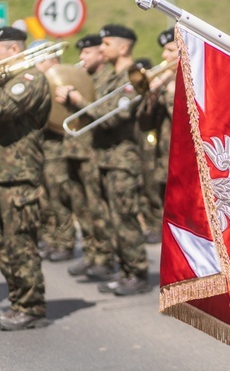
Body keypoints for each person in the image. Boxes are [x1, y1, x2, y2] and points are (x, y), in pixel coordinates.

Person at [59, 24, 149, 296]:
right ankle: (125, 270)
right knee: (113, 218)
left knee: (125, 219)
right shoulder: (112, 76)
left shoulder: (132, 77)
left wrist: (78, 101)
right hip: (106, 158)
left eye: (106, 45)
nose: (101, 49)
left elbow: (114, 115)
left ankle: (137, 271)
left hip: (122, 160)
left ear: (123, 48)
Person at [0, 26, 52, 330]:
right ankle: (19, 300)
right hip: (4, 176)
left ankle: (31, 306)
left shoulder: (31, 79)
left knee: (20, 244)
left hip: (19, 178)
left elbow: (4, 108)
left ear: (13, 51)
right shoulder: (9, 80)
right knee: (5, 247)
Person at [58, 34, 115, 278]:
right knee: (81, 208)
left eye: (87, 53)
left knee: (97, 208)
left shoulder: (106, 79)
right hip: (74, 149)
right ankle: (91, 254)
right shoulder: (81, 78)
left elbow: (103, 111)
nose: (81, 57)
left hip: (92, 150)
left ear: (101, 55)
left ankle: (104, 257)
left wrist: (77, 99)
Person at [31, 40, 76, 262]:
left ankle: (65, 241)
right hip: (40, 147)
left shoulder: (64, 80)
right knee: (45, 197)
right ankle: (51, 239)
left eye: (39, 59)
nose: (35, 65)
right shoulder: (35, 82)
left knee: (59, 195)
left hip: (57, 146)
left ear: (53, 60)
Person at [136, 29, 178, 244]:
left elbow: (186, 120)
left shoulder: (195, 83)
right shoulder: (164, 83)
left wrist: (170, 92)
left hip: (186, 165)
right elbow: (144, 123)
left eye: (170, 50)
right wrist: (151, 96)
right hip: (164, 160)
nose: (164, 56)